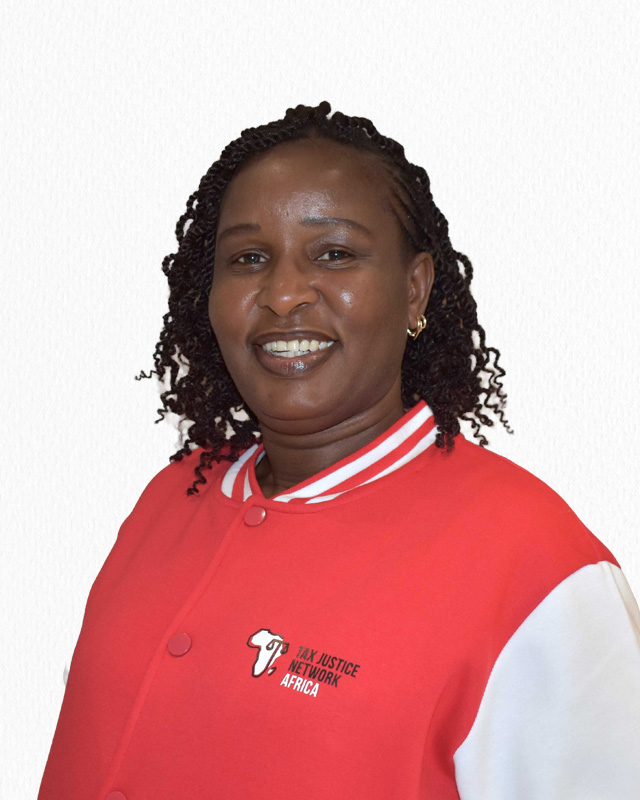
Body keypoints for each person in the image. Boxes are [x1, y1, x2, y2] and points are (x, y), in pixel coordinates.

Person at [39, 101, 640, 799]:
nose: (284, 294)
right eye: (248, 259)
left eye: (334, 254)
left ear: (414, 289)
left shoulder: (538, 564)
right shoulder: (172, 497)